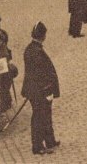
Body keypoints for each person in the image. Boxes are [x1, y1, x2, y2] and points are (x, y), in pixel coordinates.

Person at [21, 22, 60, 156]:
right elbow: (41, 75)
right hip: (40, 91)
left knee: (45, 115)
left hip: (35, 89)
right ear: (43, 36)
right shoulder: (36, 52)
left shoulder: (30, 49)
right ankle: (37, 146)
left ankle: (50, 140)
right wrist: (47, 91)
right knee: (40, 117)